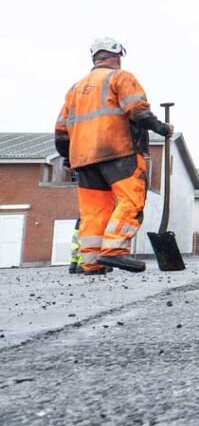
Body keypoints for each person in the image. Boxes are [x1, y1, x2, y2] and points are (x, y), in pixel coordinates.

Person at [54, 38, 173, 274]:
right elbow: (137, 110)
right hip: (119, 151)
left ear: (94, 58)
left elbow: (60, 129)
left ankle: (91, 262)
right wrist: (161, 128)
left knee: (94, 211)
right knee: (131, 200)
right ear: (117, 56)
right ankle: (114, 249)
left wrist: (68, 157)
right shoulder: (120, 77)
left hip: (84, 160)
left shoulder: (75, 89)